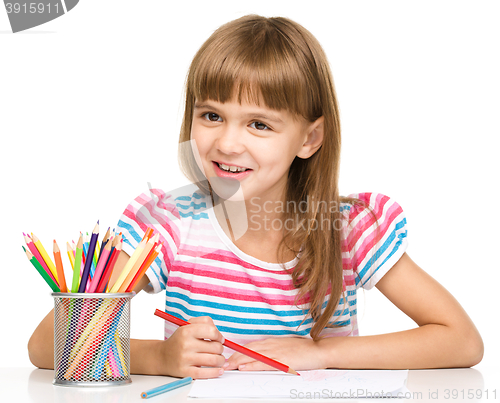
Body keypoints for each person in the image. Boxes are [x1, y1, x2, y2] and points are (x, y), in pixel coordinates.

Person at [28, 14, 483, 379]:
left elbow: (460, 339)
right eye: (211, 115)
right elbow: (48, 344)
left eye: (259, 124)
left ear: (310, 139)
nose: (227, 143)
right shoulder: (167, 224)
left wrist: (319, 353)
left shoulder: (347, 228)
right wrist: (159, 358)